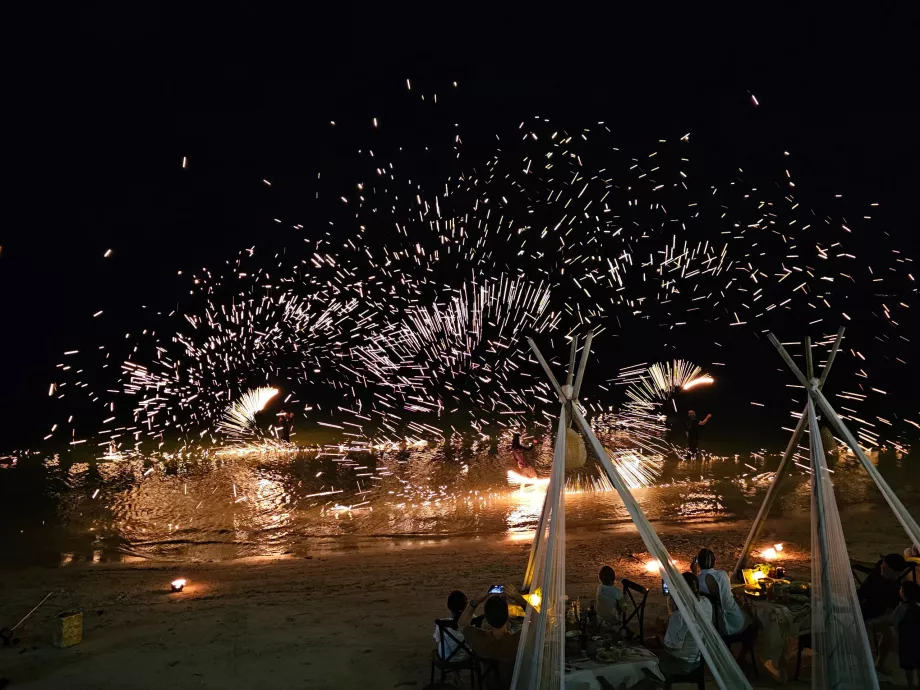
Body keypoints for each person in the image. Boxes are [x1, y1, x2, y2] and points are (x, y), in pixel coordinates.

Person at [459, 584, 528, 689]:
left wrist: (475, 602)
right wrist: (519, 598)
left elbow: (462, 624)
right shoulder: (518, 641)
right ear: (507, 617)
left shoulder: (480, 641)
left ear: (486, 618)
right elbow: (543, 624)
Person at [656, 572, 714, 679]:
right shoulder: (706, 603)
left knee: (647, 657)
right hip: (697, 658)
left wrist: (659, 631)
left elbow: (669, 646)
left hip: (682, 664)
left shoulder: (680, 616)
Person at [858, 552, 908, 671]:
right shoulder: (878, 573)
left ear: (894, 571)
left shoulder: (894, 586)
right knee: (890, 629)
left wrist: (872, 622)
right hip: (863, 610)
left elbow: (890, 613)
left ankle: (879, 664)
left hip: (877, 613)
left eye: (885, 565)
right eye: (883, 563)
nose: (882, 565)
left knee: (890, 632)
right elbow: (860, 593)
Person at [692, 548, 750, 635]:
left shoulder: (696, 581)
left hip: (714, 623)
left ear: (698, 563)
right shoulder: (722, 575)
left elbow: (696, 584)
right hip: (735, 621)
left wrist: (694, 573)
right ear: (715, 562)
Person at [894, 581, 920, 688]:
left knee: (908, 667)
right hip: (918, 641)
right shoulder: (918, 607)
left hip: (906, 642)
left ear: (903, 593)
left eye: (901, 589)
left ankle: (910, 685)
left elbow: (895, 623)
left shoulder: (900, 609)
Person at [432, 590, 470, 661]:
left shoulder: (441, 623)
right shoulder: (472, 619)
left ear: (449, 606)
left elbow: (438, 640)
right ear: (465, 605)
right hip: (467, 657)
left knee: (434, 651)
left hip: (447, 659)